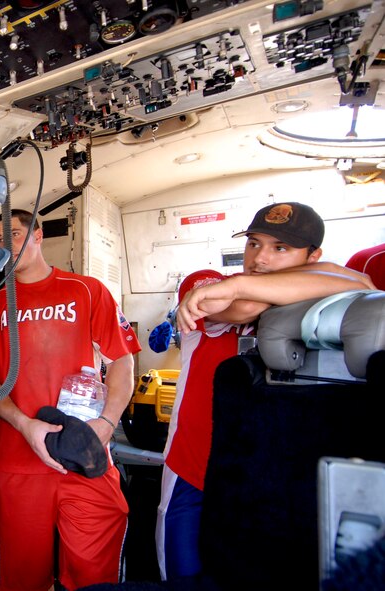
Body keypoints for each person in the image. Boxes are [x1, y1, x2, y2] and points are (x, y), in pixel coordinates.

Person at [157, 201, 375, 581]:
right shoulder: (206, 282)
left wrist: (241, 283)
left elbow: (366, 287)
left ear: (313, 256)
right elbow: (243, 308)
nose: (259, 257)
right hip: (191, 473)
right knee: (181, 577)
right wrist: (245, 286)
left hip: (263, 477)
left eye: (280, 248)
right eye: (254, 244)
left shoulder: (271, 292)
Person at [0, 209, 141, 590]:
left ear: (38, 236)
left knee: (94, 573)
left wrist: (106, 424)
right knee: (21, 577)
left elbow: (121, 360)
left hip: (83, 452)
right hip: (18, 459)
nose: (6, 246)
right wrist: (24, 424)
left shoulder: (86, 290)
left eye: (14, 235)